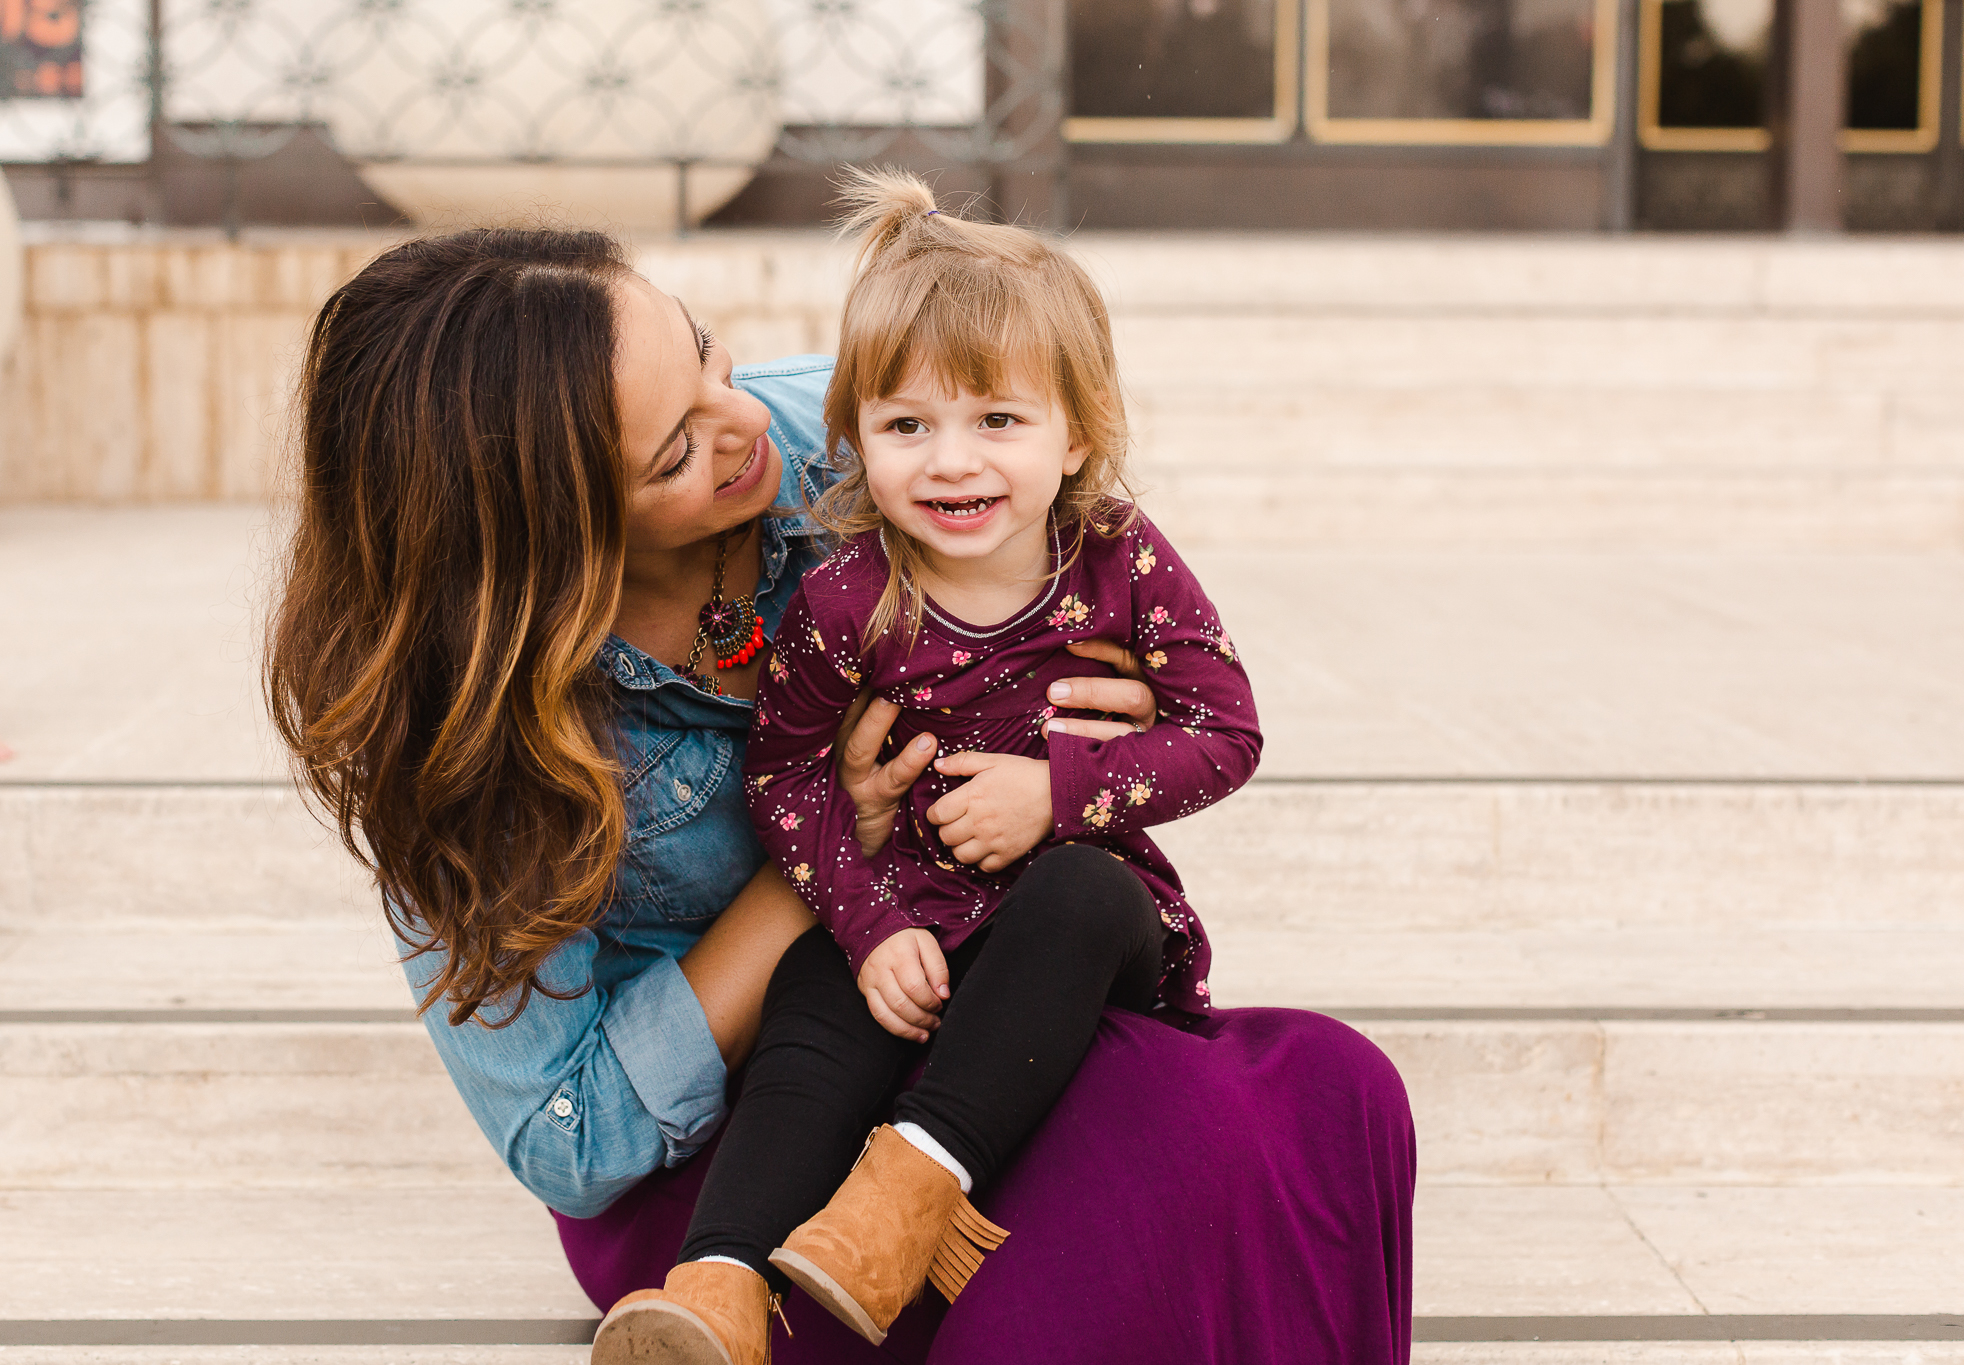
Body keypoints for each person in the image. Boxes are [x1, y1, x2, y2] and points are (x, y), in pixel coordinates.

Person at [266, 219, 1416, 1365]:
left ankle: (926, 1184)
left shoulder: (866, 438)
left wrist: (1085, 736)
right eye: (674, 451)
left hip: (969, 1018)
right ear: (542, 542)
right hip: (760, 1123)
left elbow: (1083, 540)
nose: (746, 418)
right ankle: (731, 1288)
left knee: (1321, 1098)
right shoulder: (458, 739)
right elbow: (570, 1140)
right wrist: (830, 865)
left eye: (708, 354)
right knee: (1108, 1227)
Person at [594, 171, 1263, 1363]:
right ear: (851, 435)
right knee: (811, 1011)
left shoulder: (1117, 561)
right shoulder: (851, 592)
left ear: (1078, 433)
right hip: (909, 911)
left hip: (1074, 916)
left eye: (997, 421)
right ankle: (716, 1285)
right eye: (907, 426)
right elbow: (785, 780)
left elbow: (1225, 730)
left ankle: (911, 1189)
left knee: (1080, 894)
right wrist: (864, 925)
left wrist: (1057, 795)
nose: (951, 464)